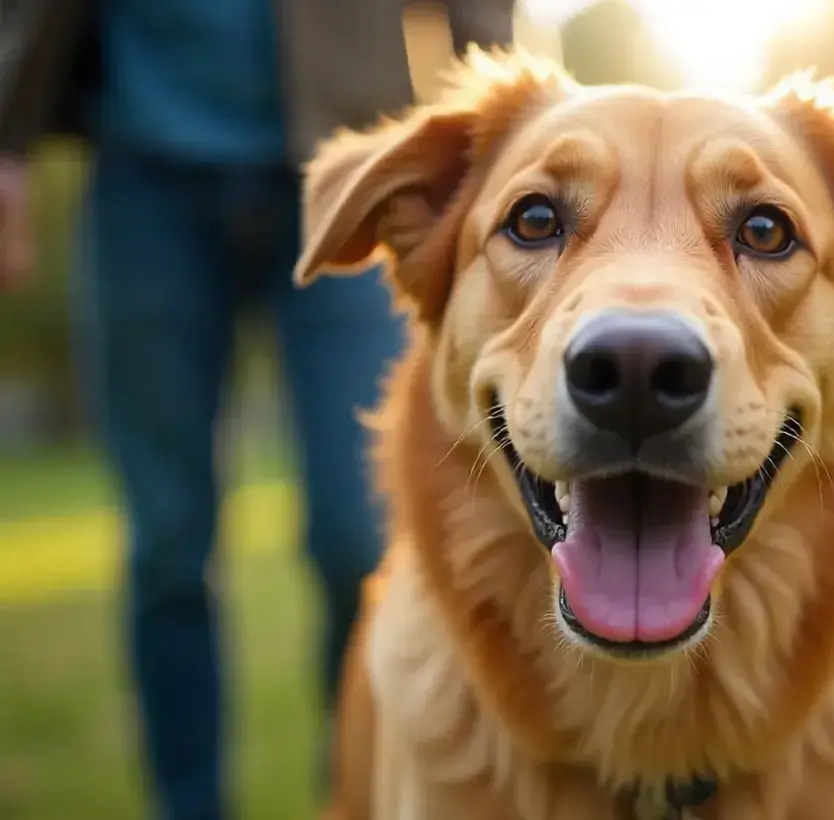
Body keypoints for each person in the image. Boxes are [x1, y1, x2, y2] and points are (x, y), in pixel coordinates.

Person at [0, 1, 515, 818]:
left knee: (359, 532)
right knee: (167, 544)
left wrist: (510, 138)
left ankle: (352, 791)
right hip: (144, 169)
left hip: (346, 141)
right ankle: (189, 804)